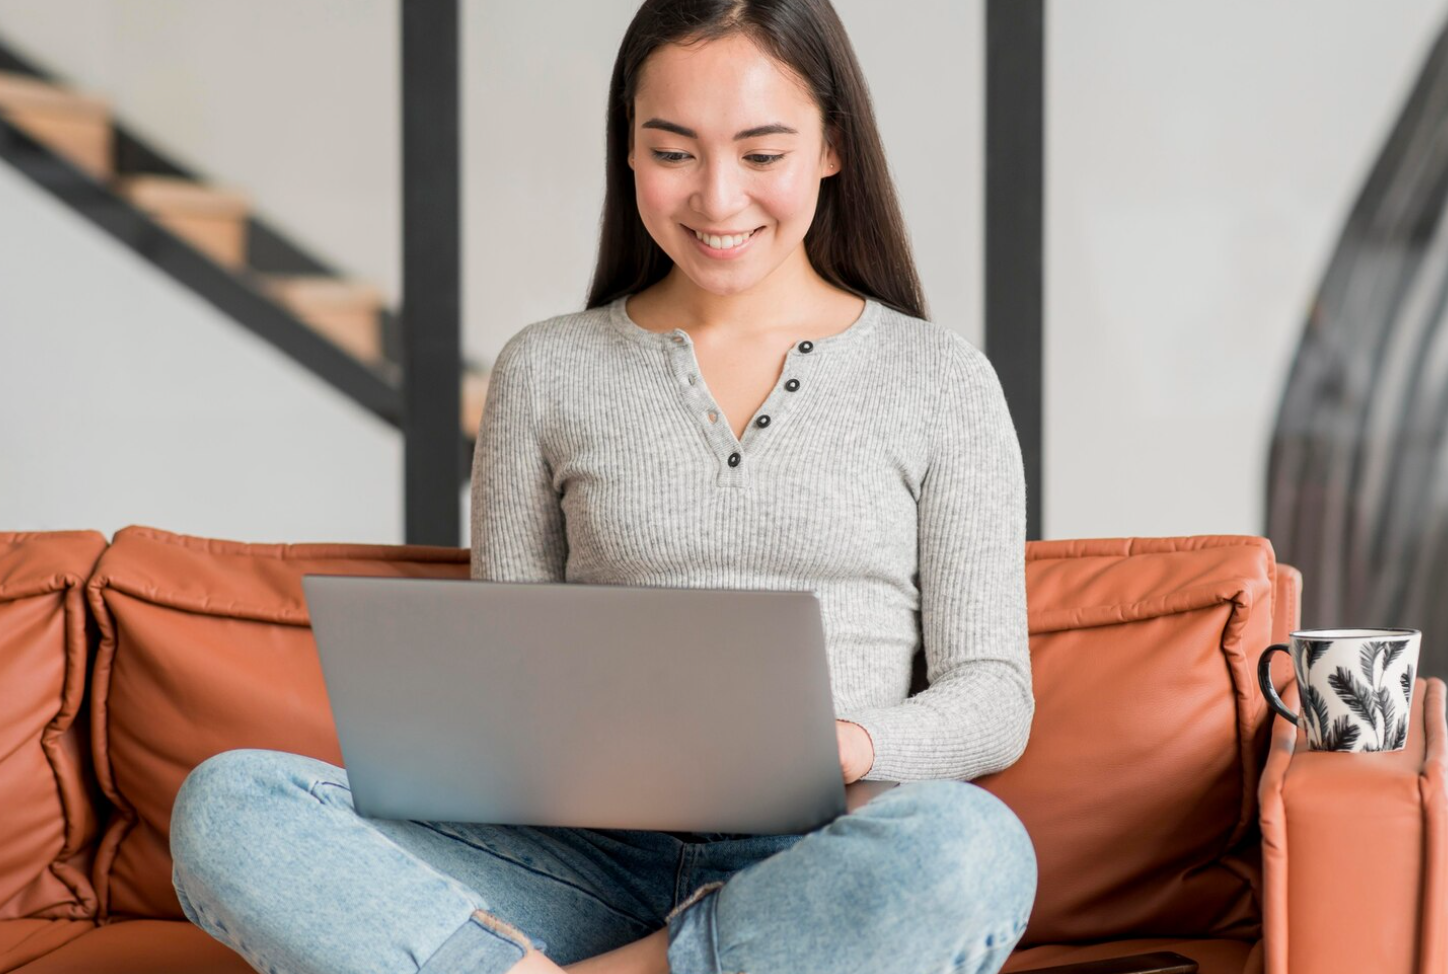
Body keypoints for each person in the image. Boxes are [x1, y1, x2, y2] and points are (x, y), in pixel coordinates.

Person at [168, 1, 1038, 972]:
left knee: (971, 850)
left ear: (831, 145)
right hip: (573, 860)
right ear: (627, 148)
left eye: (761, 154)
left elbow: (992, 695)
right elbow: (508, 673)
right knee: (229, 803)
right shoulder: (544, 370)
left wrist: (843, 743)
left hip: (807, 855)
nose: (716, 200)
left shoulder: (939, 379)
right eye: (673, 152)